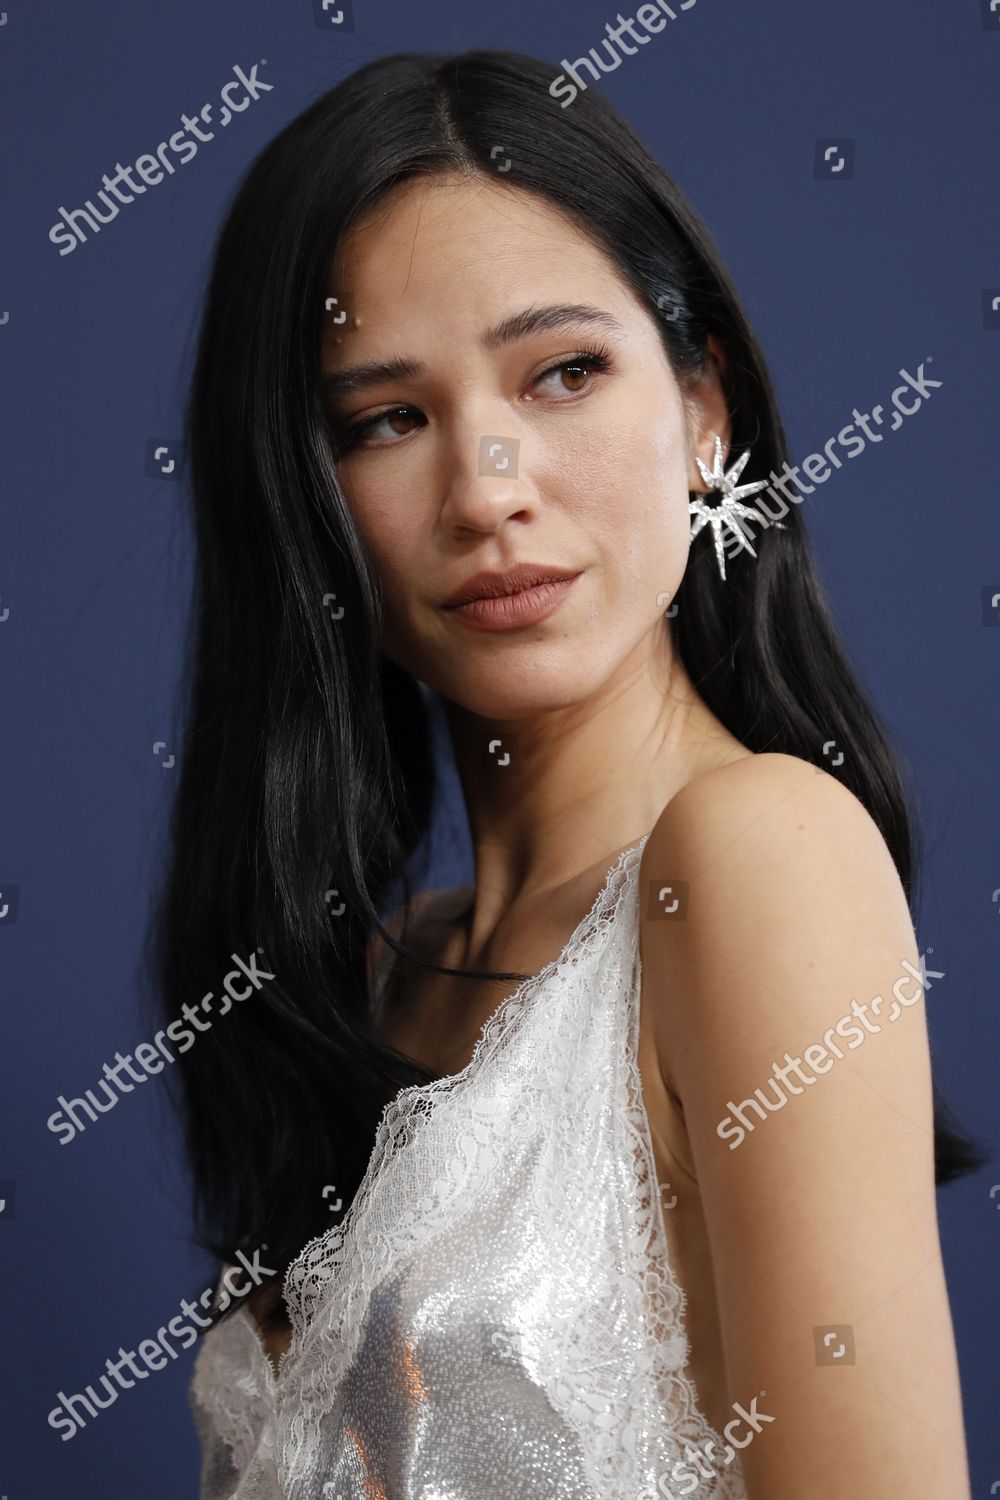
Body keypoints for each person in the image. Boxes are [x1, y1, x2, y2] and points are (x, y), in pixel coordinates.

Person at [150, 47, 982, 1499]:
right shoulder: (388, 968)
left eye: (566, 371)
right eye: (385, 420)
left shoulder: (757, 852)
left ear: (703, 408)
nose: (488, 488)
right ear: (302, 496)